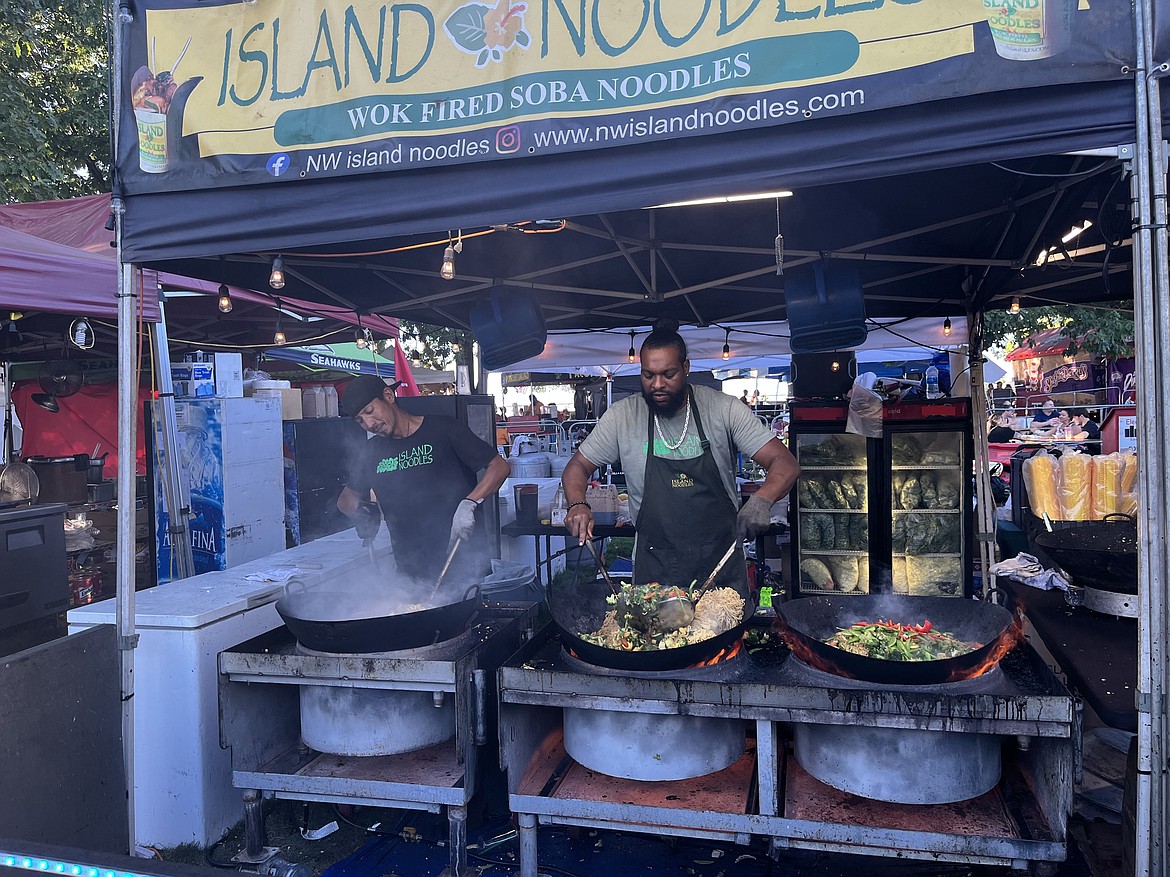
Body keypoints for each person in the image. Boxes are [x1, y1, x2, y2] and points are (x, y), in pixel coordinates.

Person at [561, 319, 800, 591]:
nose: (657, 384)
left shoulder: (723, 409)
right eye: (648, 375)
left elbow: (785, 463)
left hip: (719, 567)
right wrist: (577, 504)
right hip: (655, 568)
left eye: (668, 374)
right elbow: (578, 465)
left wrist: (762, 500)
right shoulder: (623, 416)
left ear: (686, 368)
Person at [336, 375, 511, 584]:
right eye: (359, 420)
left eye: (369, 411)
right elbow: (345, 500)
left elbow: (499, 467)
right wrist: (362, 514)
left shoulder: (444, 429)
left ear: (388, 396)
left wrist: (469, 503)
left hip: (463, 564)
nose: (369, 424)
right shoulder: (371, 452)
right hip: (410, 574)